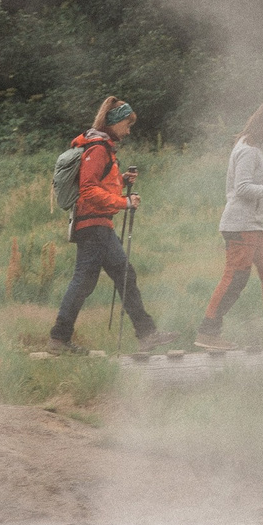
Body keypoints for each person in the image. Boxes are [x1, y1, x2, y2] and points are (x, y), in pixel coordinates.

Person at [47, 97, 173, 354]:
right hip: (94, 226)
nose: (128, 131)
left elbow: (99, 184)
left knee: (118, 276)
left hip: (97, 225)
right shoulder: (98, 149)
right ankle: (59, 339)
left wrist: (121, 180)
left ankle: (145, 334)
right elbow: (88, 190)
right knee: (88, 281)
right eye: (127, 124)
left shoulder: (103, 148)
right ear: (114, 122)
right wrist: (124, 202)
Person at [196, 99, 263, 351]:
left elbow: (251, 184)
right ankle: (207, 332)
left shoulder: (253, 147)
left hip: (255, 225)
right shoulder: (248, 150)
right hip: (241, 225)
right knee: (236, 278)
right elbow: (242, 188)